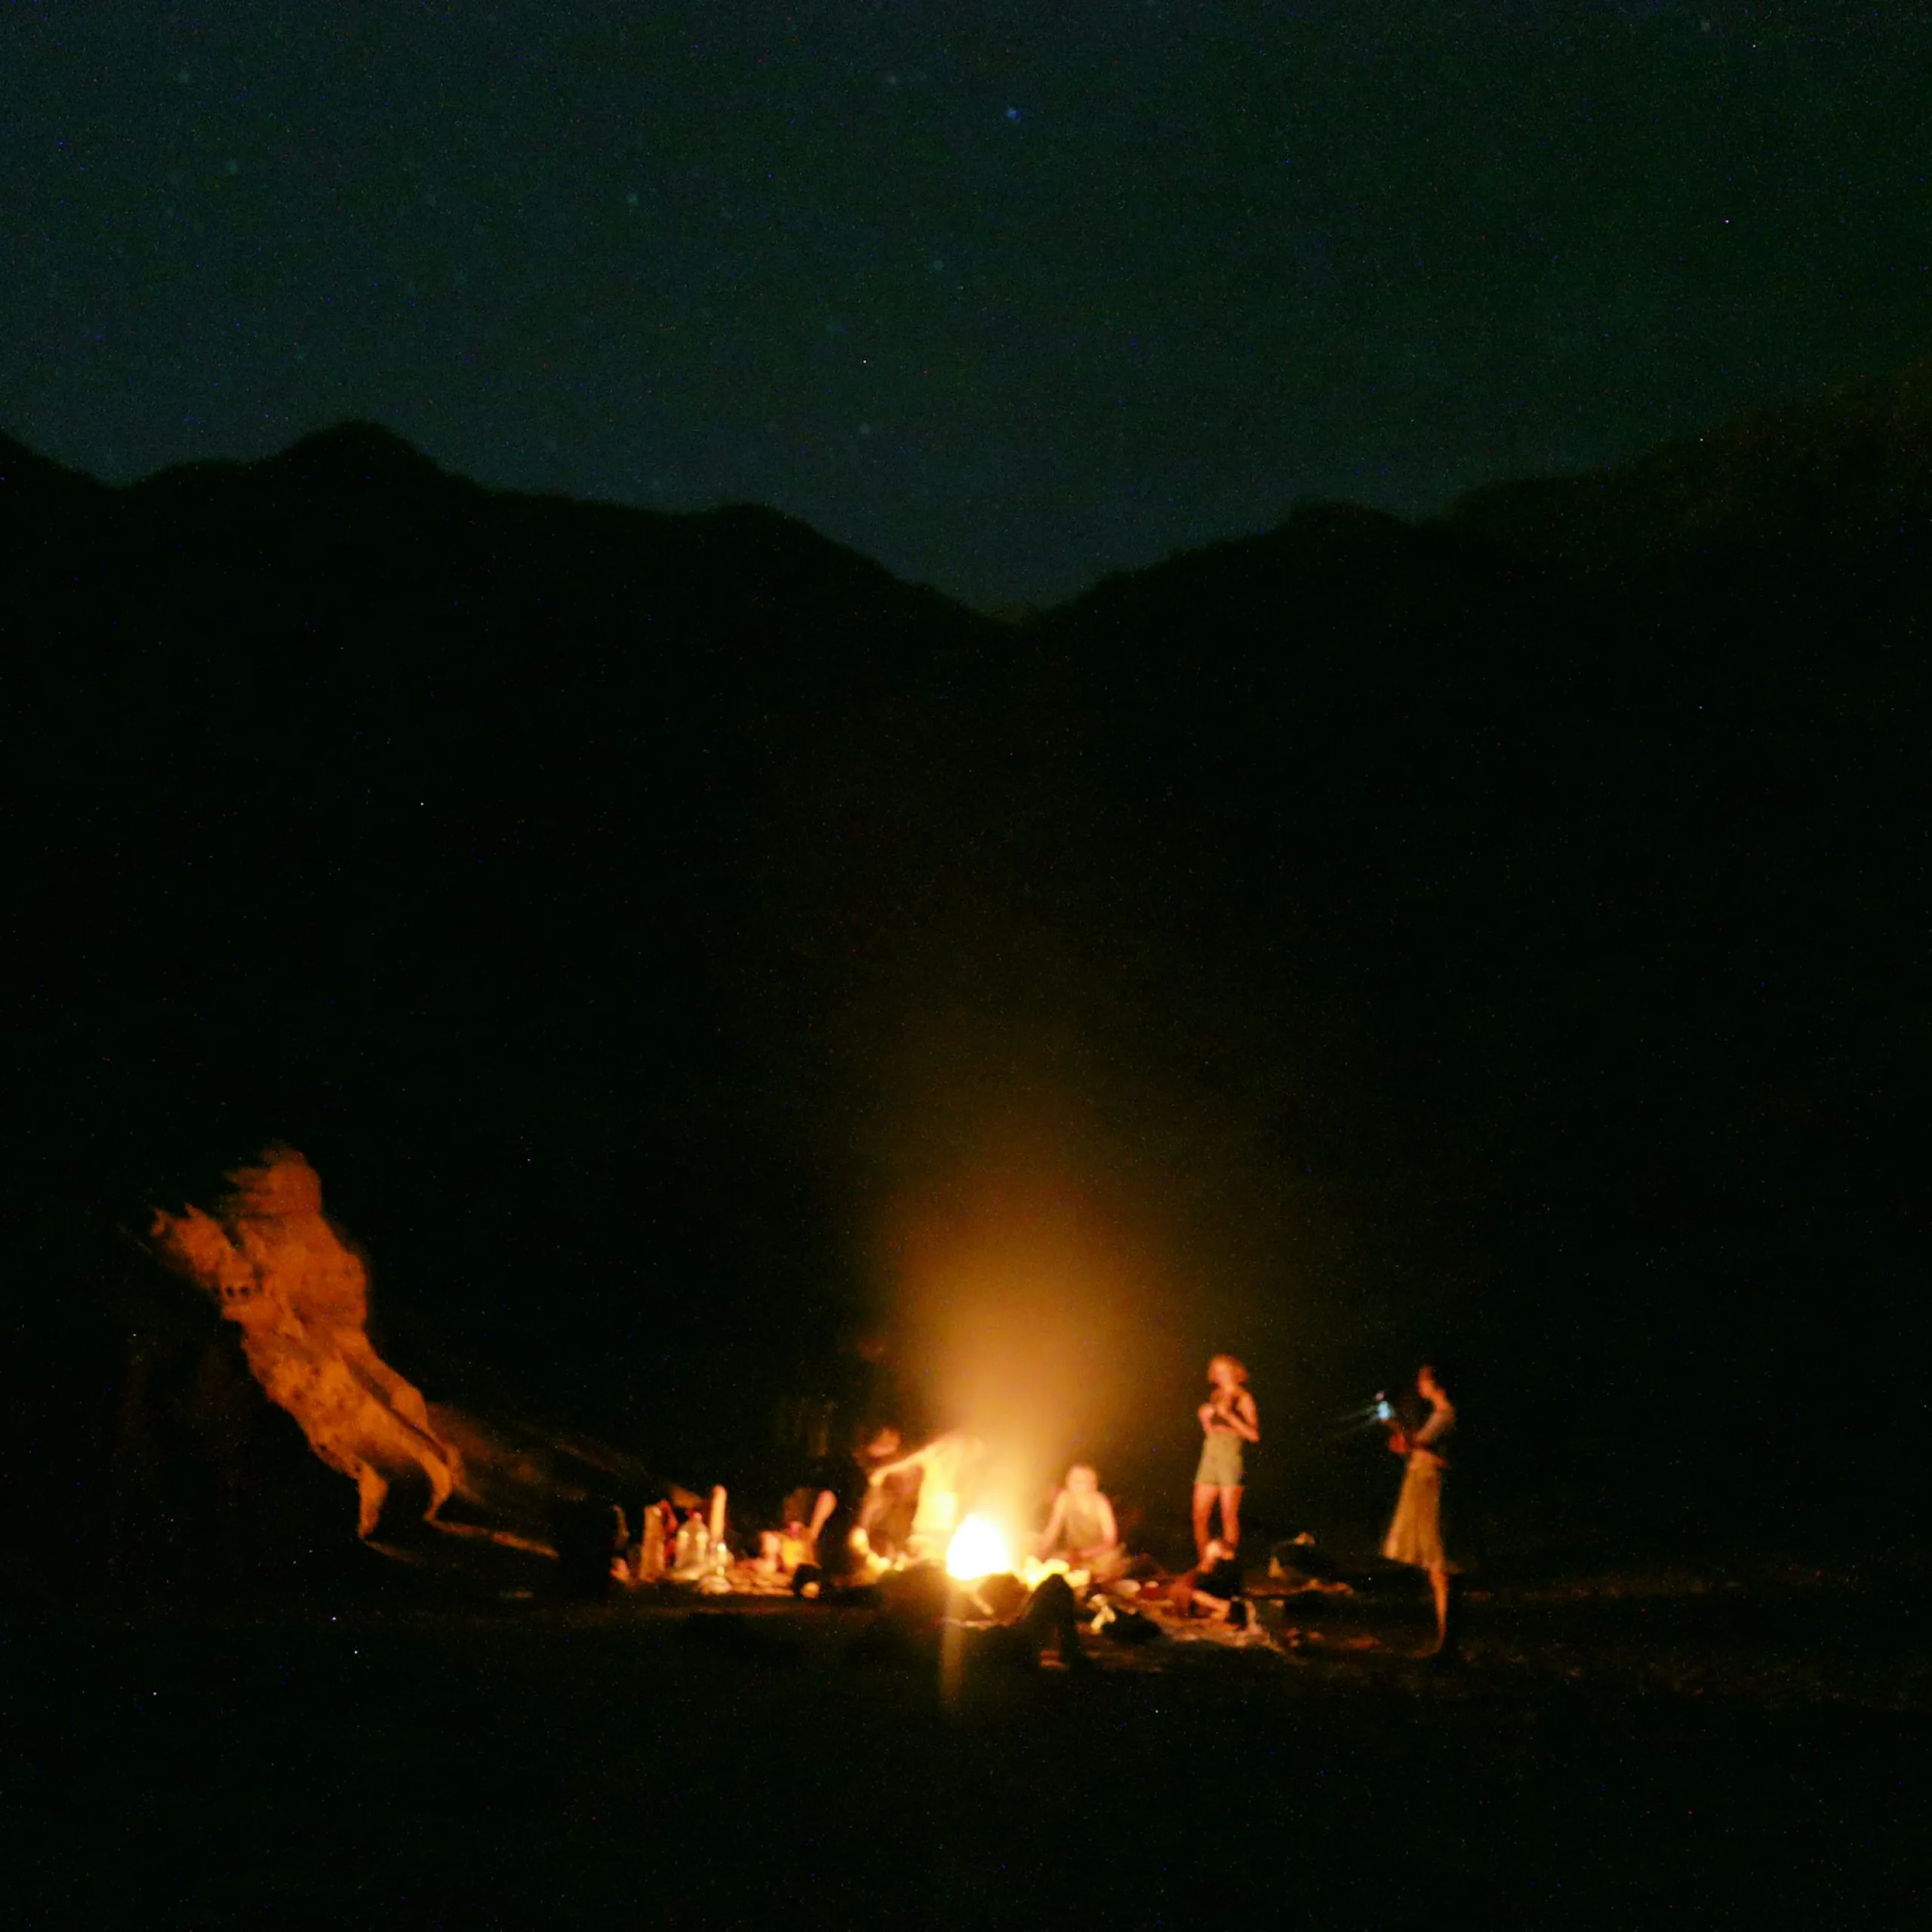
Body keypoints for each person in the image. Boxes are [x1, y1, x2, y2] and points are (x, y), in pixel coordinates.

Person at [1383, 1362, 1460, 1660]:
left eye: (1423, 1378)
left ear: (1436, 1383)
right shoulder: (1440, 1415)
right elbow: (1424, 1448)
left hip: (1435, 1494)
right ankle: (1445, 1641)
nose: (1419, 1384)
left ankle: (1448, 1642)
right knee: (1437, 1569)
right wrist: (1408, 1443)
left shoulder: (1449, 1416)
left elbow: (1446, 1459)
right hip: (1429, 1491)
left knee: (1442, 1567)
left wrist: (1413, 1444)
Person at [867, 1429, 983, 1562]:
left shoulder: (966, 1466)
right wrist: (880, 1473)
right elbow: (908, 1461)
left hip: (945, 1528)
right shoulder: (935, 1452)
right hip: (929, 1526)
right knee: (924, 1559)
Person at [1192, 1354, 1259, 1561]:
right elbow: (1213, 1432)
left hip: (1231, 1458)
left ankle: (1227, 1565)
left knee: (1228, 1515)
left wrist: (1229, 1414)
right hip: (1210, 1455)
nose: (1220, 1375)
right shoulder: (1215, 1395)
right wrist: (1205, 1420)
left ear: (1234, 1372)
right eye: (1216, 1371)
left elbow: (1254, 1435)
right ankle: (1206, 1564)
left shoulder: (1243, 1397)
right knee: (1199, 1515)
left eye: (1224, 1371)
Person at [1034, 1463, 1124, 1579]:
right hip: (1074, 1552)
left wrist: (1082, 1555)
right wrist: (1039, 1551)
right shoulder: (1064, 1498)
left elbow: (1110, 1541)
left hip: (1099, 1554)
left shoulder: (1100, 1503)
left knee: (1105, 1568)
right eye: (1071, 1480)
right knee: (1051, 1561)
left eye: (1080, 1481)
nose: (1073, 1484)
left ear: (1093, 1485)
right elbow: (1053, 1529)